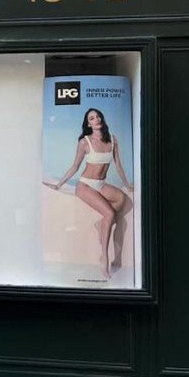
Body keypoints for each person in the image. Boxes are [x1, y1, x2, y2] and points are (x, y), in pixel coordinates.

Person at [45, 107, 134, 279]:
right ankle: (105, 257)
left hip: (100, 184)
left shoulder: (113, 140)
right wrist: (59, 184)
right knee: (109, 212)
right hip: (85, 185)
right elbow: (75, 166)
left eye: (98, 116)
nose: (97, 119)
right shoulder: (85, 142)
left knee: (122, 198)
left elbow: (119, 165)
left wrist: (126, 185)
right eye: (92, 118)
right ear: (88, 123)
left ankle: (100, 225)